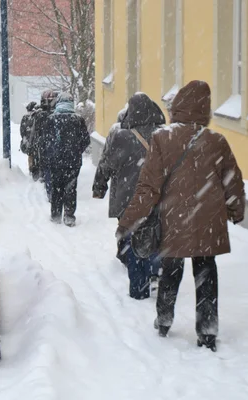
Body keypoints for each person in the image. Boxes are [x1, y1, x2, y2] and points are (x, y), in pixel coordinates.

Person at [117, 81, 245, 351]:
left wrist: (129, 220)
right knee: (206, 272)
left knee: (171, 271)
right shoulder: (217, 141)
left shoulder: (163, 138)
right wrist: (236, 210)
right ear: (205, 110)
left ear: (179, 107)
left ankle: (164, 319)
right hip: (208, 222)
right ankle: (207, 331)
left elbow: (148, 186)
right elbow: (233, 180)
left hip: (174, 219)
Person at [93, 93, 165, 300]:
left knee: (132, 238)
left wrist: (99, 186)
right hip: (156, 196)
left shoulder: (122, 136)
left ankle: (138, 288)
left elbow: (107, 164)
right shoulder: (163, 135)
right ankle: (155, 272)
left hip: (128, 198)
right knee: (155, 235)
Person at [43, 92, 89, 227]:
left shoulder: (51, 119)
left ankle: (56, 214)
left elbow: (45, 141)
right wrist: (77, 150)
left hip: (55, 161)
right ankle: (69, 216)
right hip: (73, 161)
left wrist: (50, 154)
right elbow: (85, 140)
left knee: (56, 187)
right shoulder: (78, 120)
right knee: (71, 188)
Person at [31, 90, 59, 197]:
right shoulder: (58, 114)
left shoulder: (40, 115)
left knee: (47, 168)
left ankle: (51, 191)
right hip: (53, 146)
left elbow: (35, 132)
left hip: (45, 146)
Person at [20, 101, 40, 180]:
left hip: (28, 141)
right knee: (37, 155)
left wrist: (25, 138)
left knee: (30, 155)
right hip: (36, 141)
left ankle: (31, 169)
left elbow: (22, 130)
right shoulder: (38, 116)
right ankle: (37, 170)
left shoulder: (25, 117)